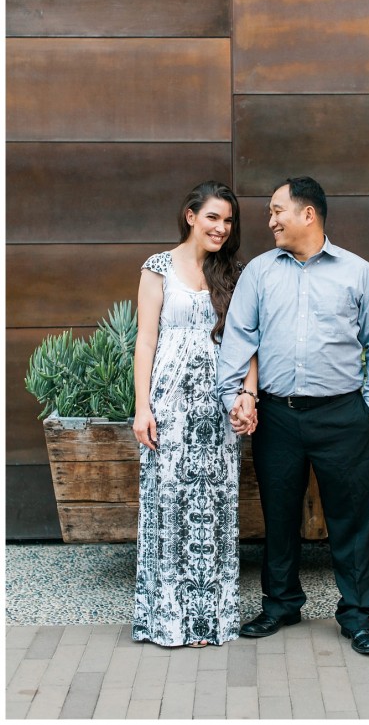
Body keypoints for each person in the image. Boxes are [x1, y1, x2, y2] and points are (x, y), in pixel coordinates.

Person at [217, 176, 369, 655]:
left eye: (277, 210)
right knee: (278, 514)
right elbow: (239, 335)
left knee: (353, 518)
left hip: (342, 415)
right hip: (277, 416)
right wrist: (236, 393)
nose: (270, 219)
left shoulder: (358, 272)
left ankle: (358, 616)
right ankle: (280, 605)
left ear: (308, 214)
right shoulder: (259, 272)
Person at [132, 181, 257, 648]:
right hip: (168, 407)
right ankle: (167, 621)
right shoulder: (158, 268)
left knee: (212, 511)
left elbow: (248, 344)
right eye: (213, 218)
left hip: (218, 411)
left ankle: (207, 621)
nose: (222, 228)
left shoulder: (236, 273)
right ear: (190, 216)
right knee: (171, 508)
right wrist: (142, 407)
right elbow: (145, 341)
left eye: (228, 221)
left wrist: (249, 393)